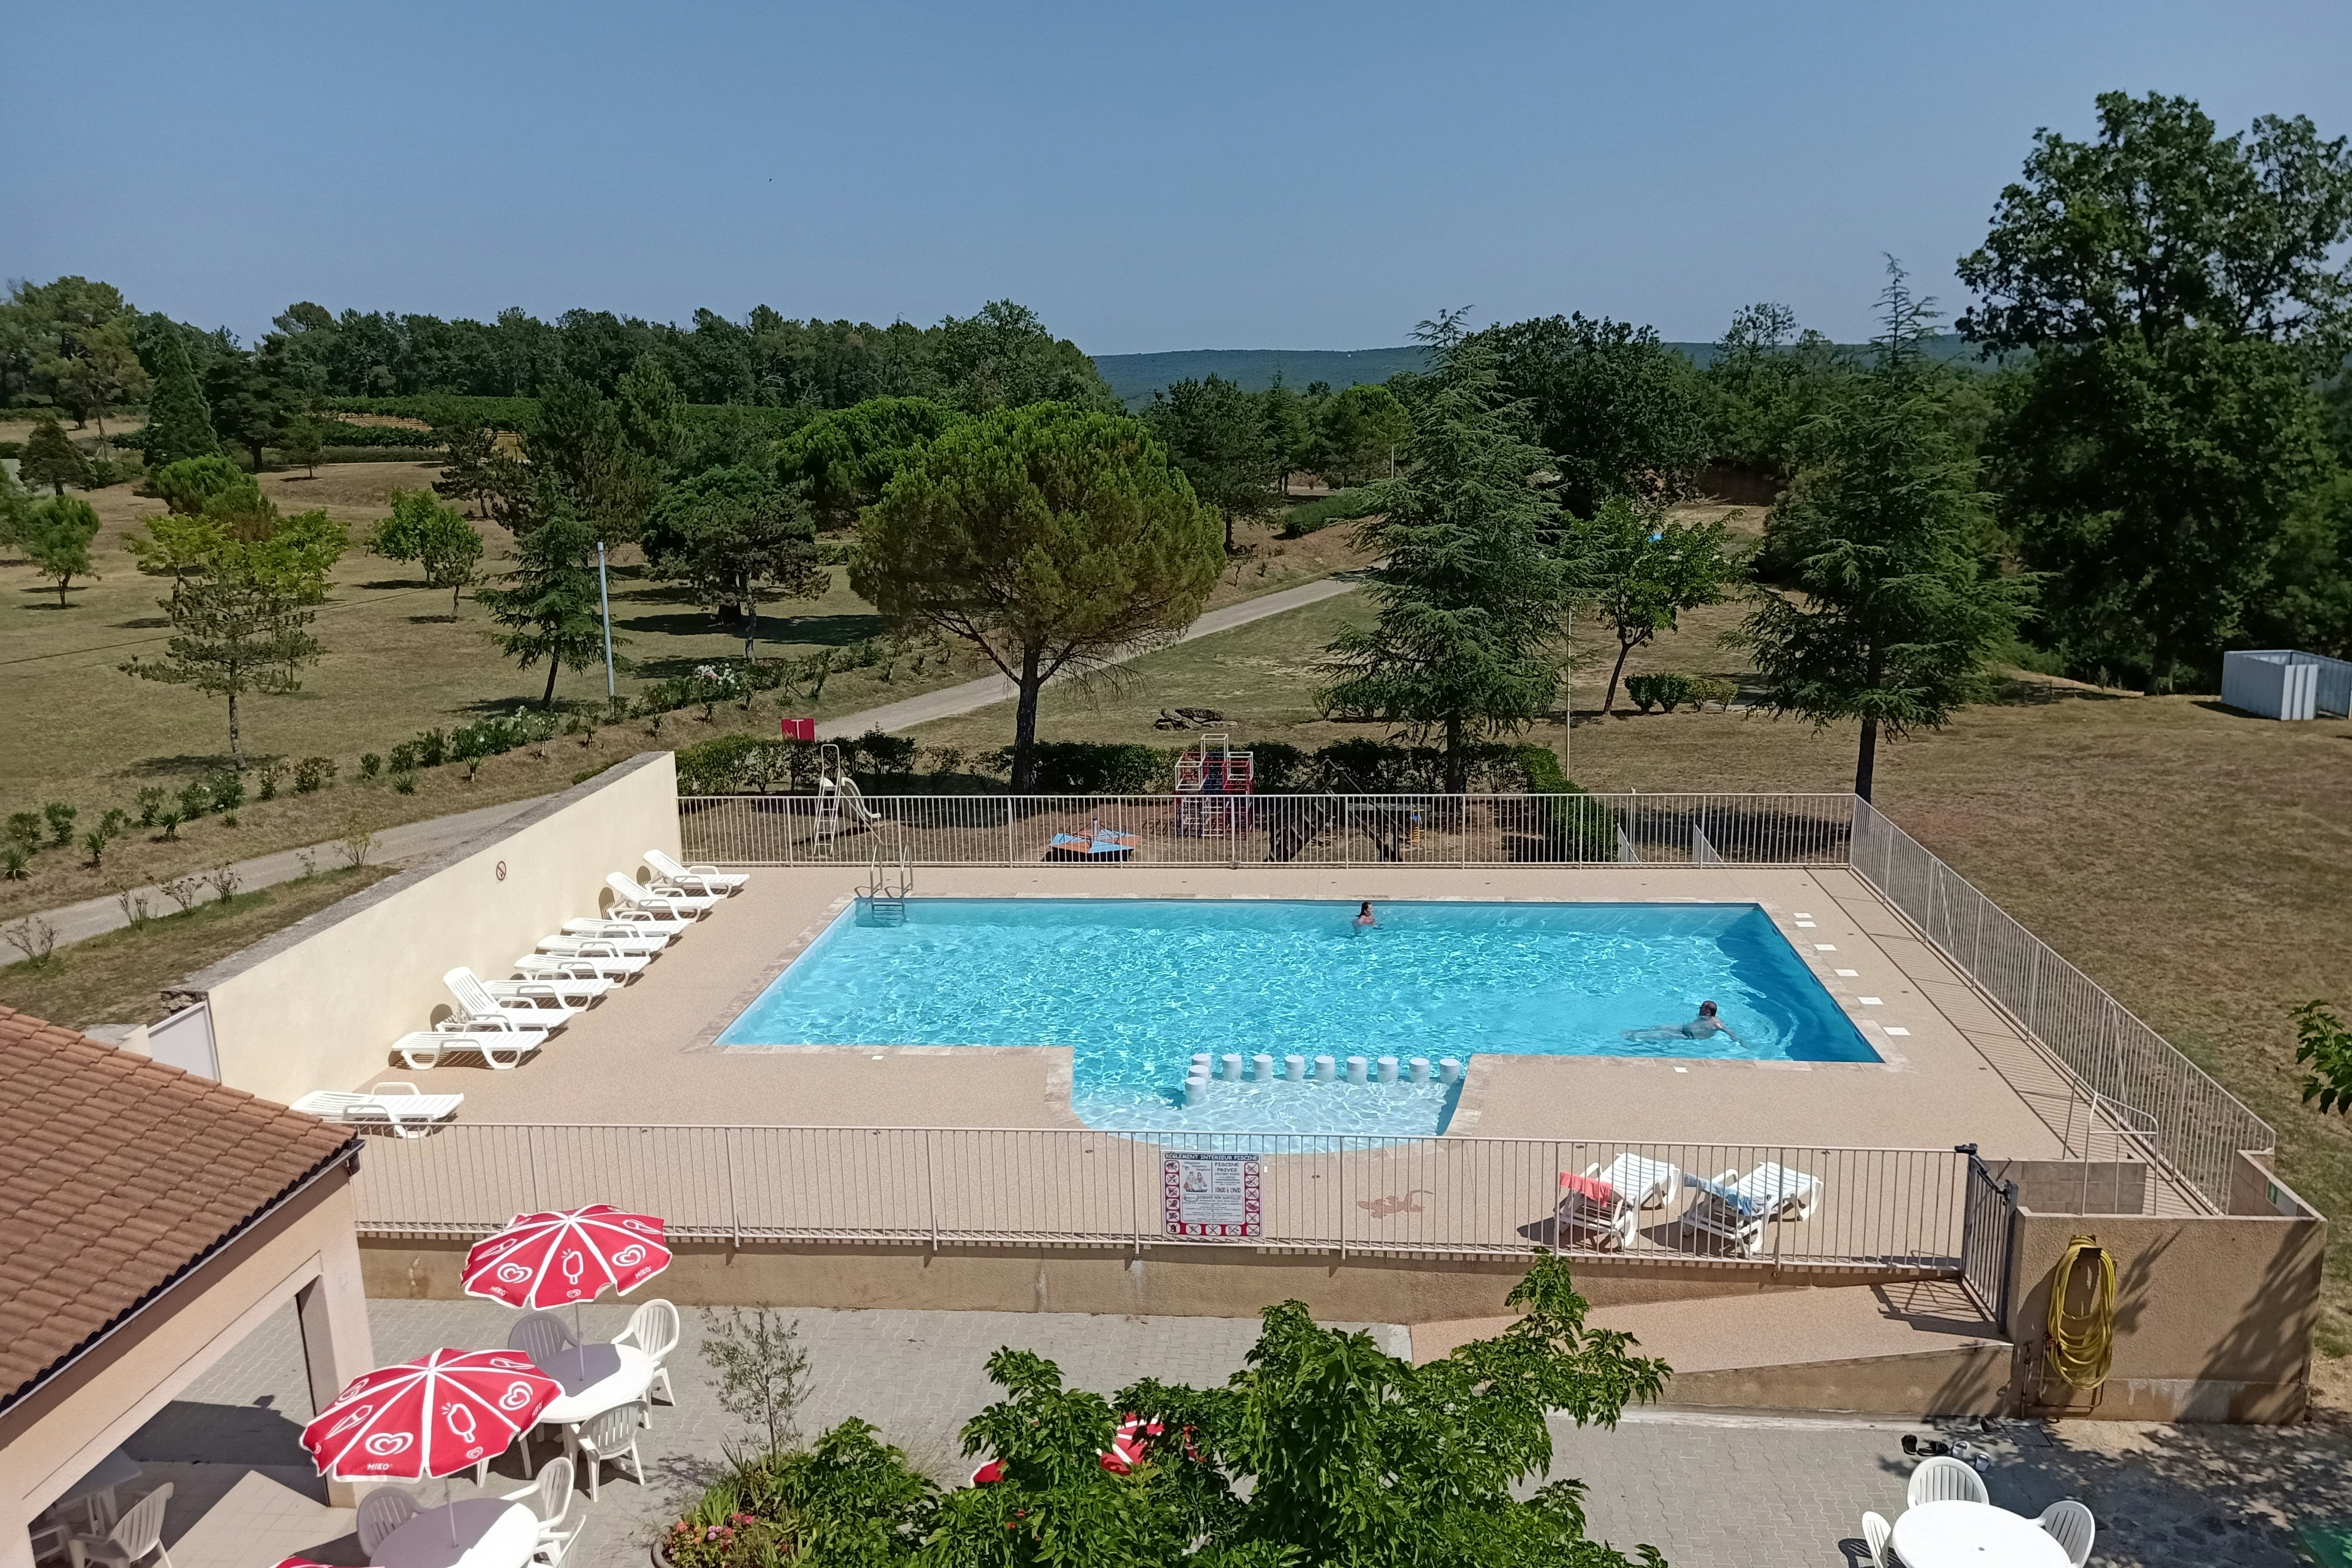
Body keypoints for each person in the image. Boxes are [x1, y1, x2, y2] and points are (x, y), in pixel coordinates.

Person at [1623, 999, 1739, 1042]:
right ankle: (1635, 1031)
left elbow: (1730, 1033)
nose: (1699, 1009)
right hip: (1684, 1028)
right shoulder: (1704, 1017)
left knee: (1663, 1034)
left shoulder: (1716, 1024)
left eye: (1701, 1008)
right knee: (1661, 1027)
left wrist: (1740, 1043)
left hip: (1689, 1036)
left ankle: (1636, 1038)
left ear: (1708, 1011)